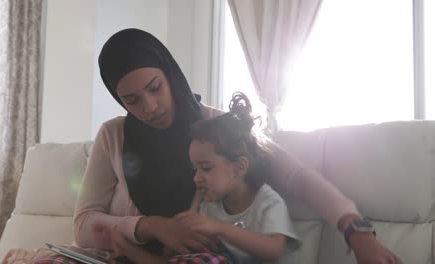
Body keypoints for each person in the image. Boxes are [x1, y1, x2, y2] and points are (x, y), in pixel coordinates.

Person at [73, 28, 401, 264]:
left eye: (155, 88)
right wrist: (154, 227)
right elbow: (84, 224)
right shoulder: (113, 135)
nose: (150, 107)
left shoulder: (220, 129)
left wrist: (357, 232)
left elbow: (296, 175)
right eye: (132, 100)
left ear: (170, 74)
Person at [95, 92, 300, 263]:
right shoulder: (207, 204)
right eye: (194, 169)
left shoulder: (266, 201)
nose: (196, 178)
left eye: (206, 168)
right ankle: (127, 250)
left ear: (239, 167)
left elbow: (274, 249)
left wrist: (221, 229)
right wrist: (174, 238)